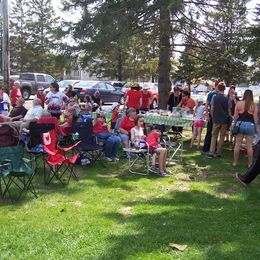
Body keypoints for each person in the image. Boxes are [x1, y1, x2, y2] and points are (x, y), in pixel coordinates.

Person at [232, 90, 258, 168]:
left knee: (237, 145)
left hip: (240, 124)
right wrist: (256, 128)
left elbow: (235, 116)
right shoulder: (254, 105)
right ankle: (250, 164)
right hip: (250, 125)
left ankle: (235, 162)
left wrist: (234, 125)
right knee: (249, 146)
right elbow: (255, 118)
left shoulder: (239, 103)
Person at [208, 83, 232, 158]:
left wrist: (212, 116)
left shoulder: (214, 97)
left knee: (214, 136)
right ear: (224, 89)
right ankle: (218, 152)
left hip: (216, 119)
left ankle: (211, 152)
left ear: (218, 88)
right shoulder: (227, 98)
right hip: (224, 120)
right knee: (222, 137)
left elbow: (212, 108)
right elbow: (229, 110)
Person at [202, 83, 219, 154]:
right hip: (211, 115)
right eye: (218, 86)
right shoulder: (211, 94)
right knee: (209, 132)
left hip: (218, 116)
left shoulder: (220, 94)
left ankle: (213, 147)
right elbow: (206, 105)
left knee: (215, 133)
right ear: (216, 86)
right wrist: (207, 115)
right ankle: (206, 148)